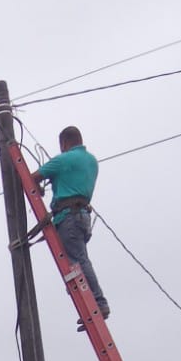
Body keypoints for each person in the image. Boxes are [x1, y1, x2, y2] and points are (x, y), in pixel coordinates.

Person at [33, 125, 110, 323]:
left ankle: (98, 303)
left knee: (78, 262)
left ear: (64, 143)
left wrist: (38, 187)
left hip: (68, 217)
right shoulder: (91, 161)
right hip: (82, 217)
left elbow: (33, 178)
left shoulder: (63, 159)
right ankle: (89, 307)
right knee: (76, 263)